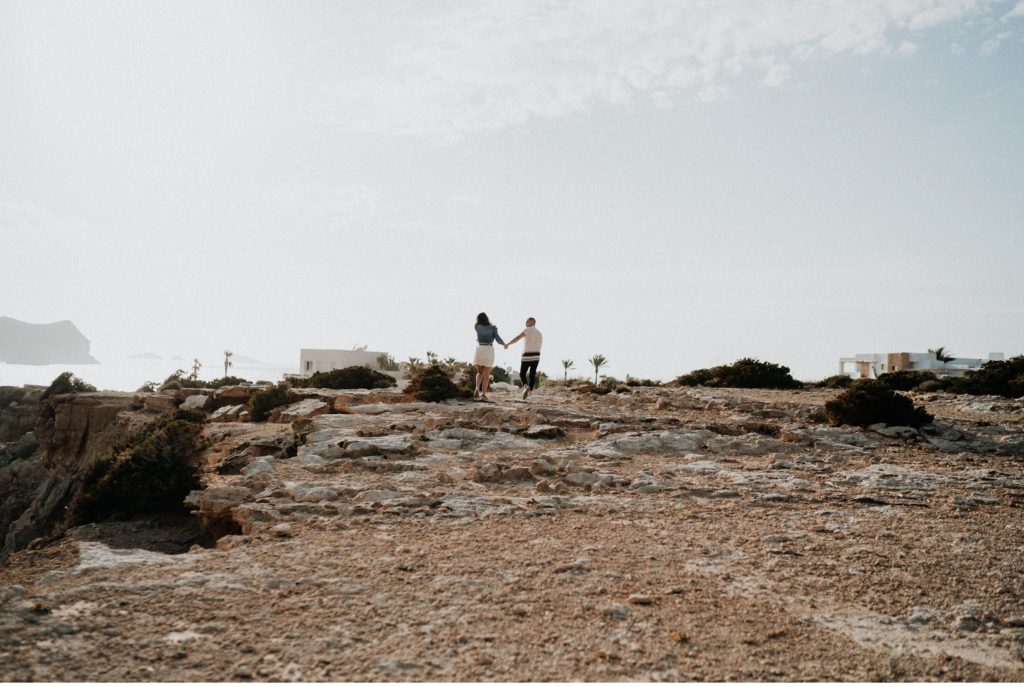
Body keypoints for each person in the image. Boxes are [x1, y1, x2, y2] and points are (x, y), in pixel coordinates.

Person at [503, 317, 543, 400]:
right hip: (536, 356)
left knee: (522, 373)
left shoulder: (527, 330)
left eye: (526, 322)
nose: (525, 323)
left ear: (530, 322)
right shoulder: (539, 333)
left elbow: (517, 338)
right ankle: (530, 392)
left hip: (527, 355)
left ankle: (525, 386)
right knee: (532, 374)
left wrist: (508, 344)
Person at [473, 312, 505, 401]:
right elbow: (498, 338)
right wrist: (504, 344)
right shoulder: (493, 328)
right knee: (487, 374)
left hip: (479, 348)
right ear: (487, 318)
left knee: (480, 372)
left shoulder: (476, 326)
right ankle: (483, 394)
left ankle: (476, 388)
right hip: (489, 349)